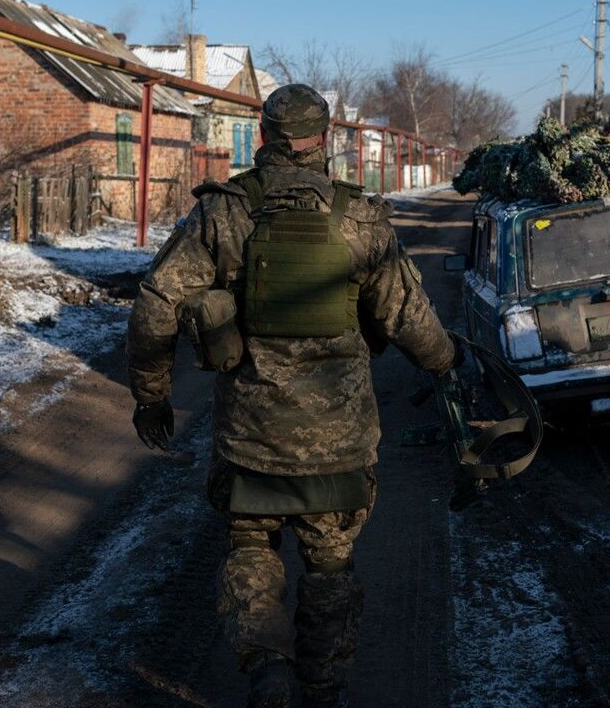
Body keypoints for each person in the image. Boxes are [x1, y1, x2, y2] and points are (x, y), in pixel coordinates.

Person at [126, 83, 459, 708]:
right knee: (330, 567)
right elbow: (408, 319)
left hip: (250, 441)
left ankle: (266, 673)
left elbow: (156, 307)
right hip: (339, 444)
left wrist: (152, 395)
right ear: (324, 138)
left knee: (251, 549)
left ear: (265, 133)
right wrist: (448, 364)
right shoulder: (361, 217)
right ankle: (321, 690)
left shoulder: (222, 214)